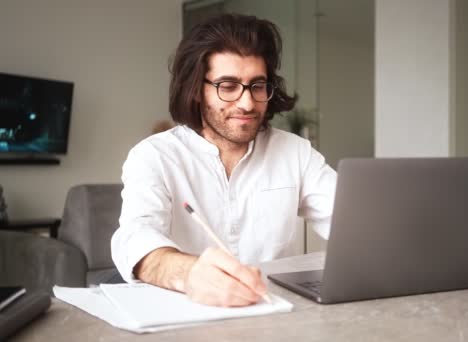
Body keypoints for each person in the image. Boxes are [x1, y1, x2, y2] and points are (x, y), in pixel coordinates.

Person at [111, 14, 336, 308]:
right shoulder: (154, 156)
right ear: (196, 89)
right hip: (185, 316)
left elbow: (353, 221)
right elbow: (134, 238)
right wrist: (188, 273)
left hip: (272, 314)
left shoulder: (295, 152)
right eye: (227, 86)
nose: (246, 102)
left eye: (257, 85)